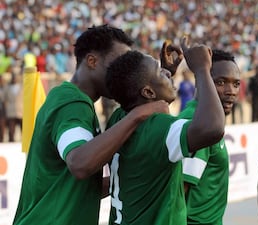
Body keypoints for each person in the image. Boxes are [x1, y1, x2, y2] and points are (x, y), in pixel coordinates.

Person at [13, 24, 175, 225]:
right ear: (92, 61)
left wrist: (163, 78)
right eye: (118, 63)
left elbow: (79, 186)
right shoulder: (71, 103)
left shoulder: (76, 101)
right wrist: (138, 115)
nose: (123, 71)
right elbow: (80, 164)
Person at [106, 42, 225, 225]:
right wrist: (202, 69)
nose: (167, 73)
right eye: (160, 72)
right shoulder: (163, 130)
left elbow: (147, 115)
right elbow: (213, 128)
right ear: (148, 91)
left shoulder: (118, 118)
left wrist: (161, 76)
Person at [179, 49, 240, 225]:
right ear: (201, 79)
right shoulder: (198, 122)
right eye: (221, 82)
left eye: (236, 84)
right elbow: (177, 193)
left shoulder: (206, 119)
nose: (231, 91)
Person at [4, 73, 23, 142]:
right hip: (11, 111)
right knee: (11, 129)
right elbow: (4, 98)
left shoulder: (22, 87)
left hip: (21, 110)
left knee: (23, 129)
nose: (15, 78)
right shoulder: (7, 87)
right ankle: (11, 142)